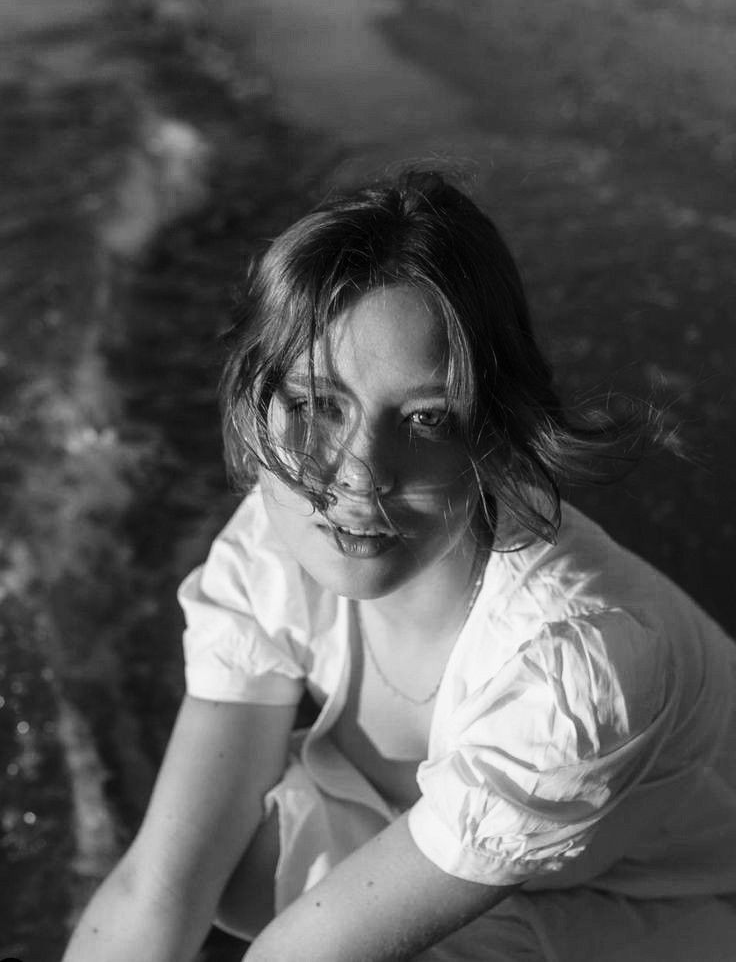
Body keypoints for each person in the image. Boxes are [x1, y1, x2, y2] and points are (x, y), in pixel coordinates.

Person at [63, 170, 736, 961]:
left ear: (494, 429)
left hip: (681, 900)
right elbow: (157, 884)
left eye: (425, 418)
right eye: (316, 403)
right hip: (522, 858)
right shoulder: (278, 542)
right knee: (234, 860)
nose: (357, 477)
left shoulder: (574, 667)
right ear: (256, 398)